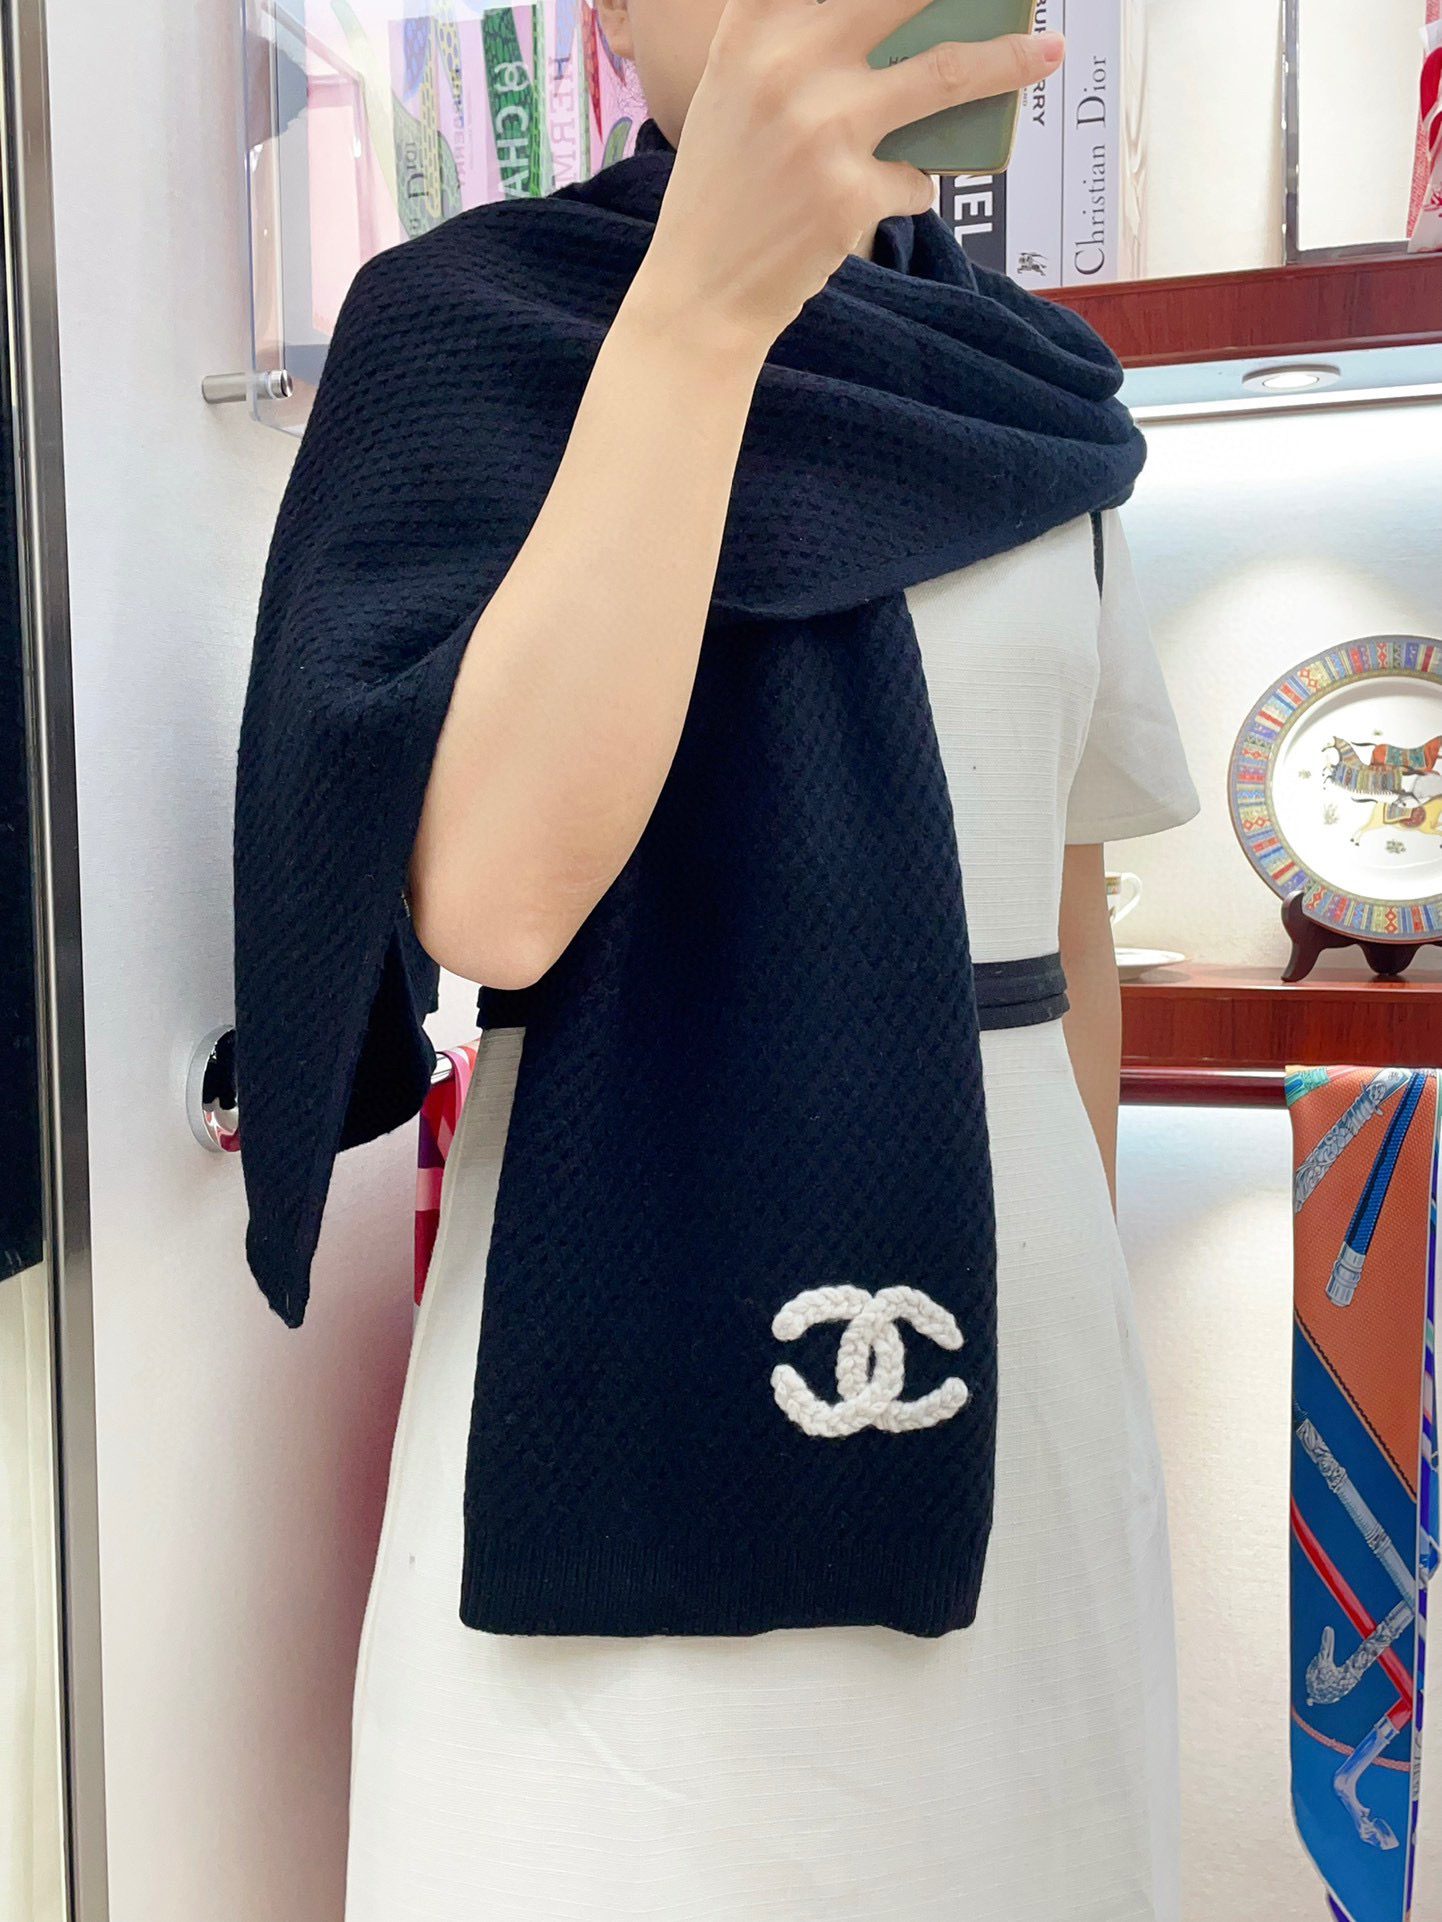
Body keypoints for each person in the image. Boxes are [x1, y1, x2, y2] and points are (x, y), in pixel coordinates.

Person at [303, 0, 1201, 1912]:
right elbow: (491, 902)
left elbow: (1066, 911)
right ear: (613, 16)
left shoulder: (1037, 392)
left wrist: (1084, 1339)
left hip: (1011, 1354)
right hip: (608, 1347)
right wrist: (704, 309)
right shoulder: (467, 328)